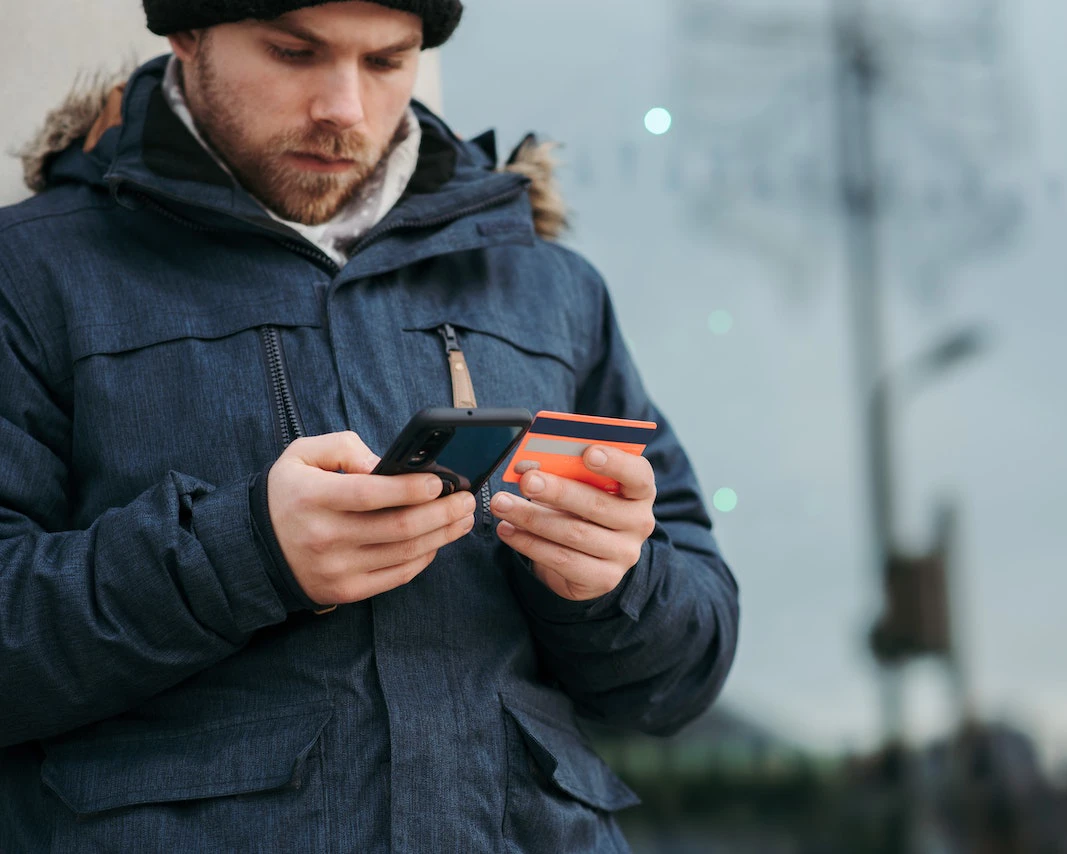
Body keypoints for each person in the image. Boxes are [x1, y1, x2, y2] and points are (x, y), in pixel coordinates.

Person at [0, 1, 739, 850]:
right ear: (187, 34)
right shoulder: (29, 274)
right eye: (293, 51)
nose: (343, 108)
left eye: (387, 62)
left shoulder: (549, 290)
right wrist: (242, 557)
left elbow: (684, 678)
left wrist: (612, 582)